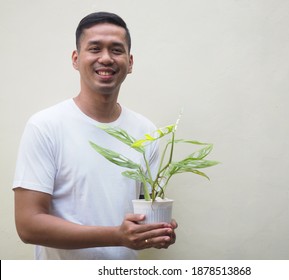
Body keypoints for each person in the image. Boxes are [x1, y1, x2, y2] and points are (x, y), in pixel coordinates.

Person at [13, 11, 177, 260]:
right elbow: (28, 225)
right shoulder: (45, 126)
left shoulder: (146, 132)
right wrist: (116, 236)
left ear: (130, 62)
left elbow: (147, 209)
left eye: (116, 50)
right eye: (95, 48)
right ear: (76, 59)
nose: (106, 58)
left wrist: (156, 231)